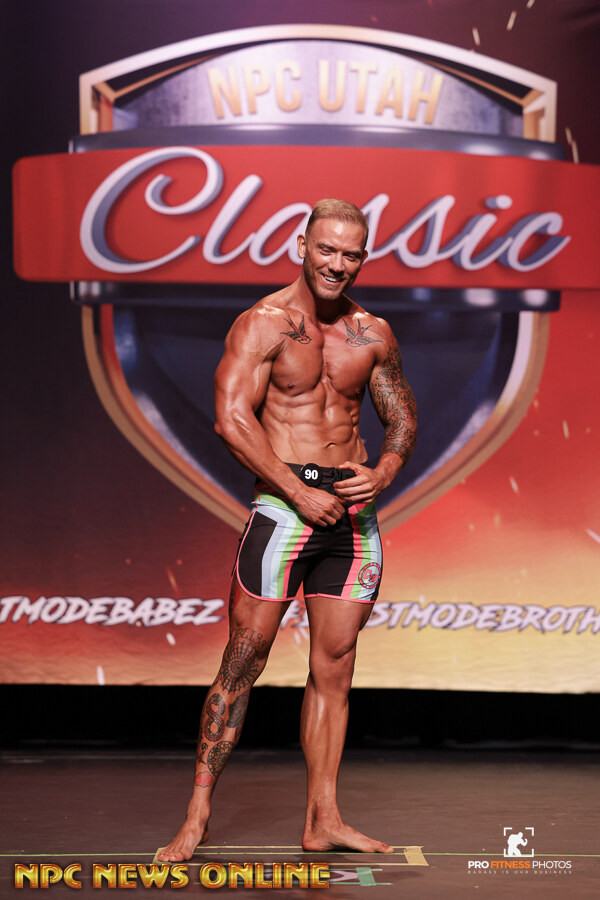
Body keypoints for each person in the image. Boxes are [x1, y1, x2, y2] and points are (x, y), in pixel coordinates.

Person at [158, 198, 417, 861]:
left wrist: (383, 472)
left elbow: (402, 419)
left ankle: (323, 819)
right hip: (284, 510)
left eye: (350, 254)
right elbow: (231, 419)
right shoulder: (264, 324)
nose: (337, 264)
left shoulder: (372, 333)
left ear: (363, 258)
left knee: (336, 665)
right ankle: (196, 816)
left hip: (353, 518)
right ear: (302, 245)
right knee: (244, 658)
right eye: (326, 249)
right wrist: (297, 491)